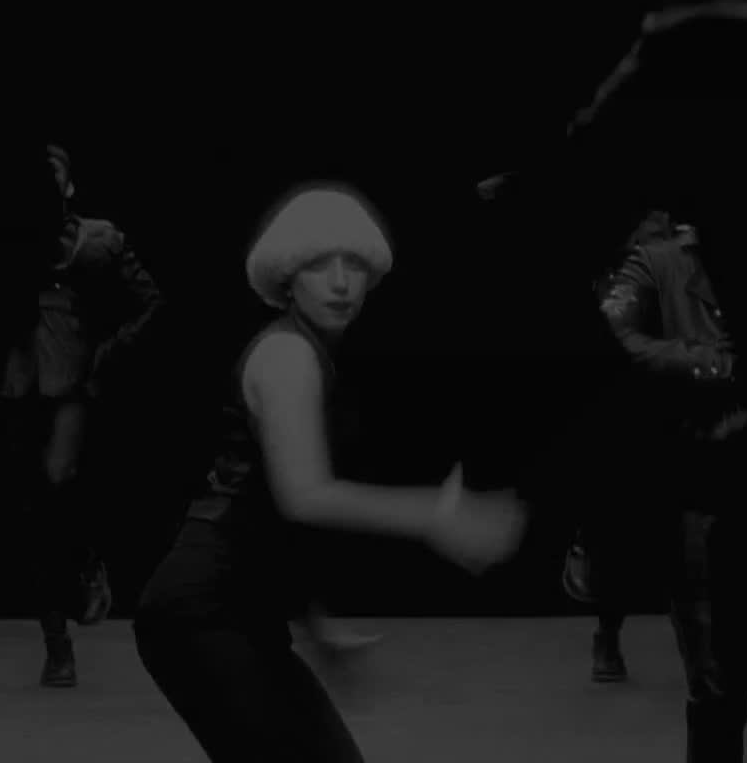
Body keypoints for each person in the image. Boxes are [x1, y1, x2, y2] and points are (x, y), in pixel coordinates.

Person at [134, 182, 528, 762]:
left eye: (355, 265)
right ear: (287, 279)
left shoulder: (309, 353)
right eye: (320, 265)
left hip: (239, 614)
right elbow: (304, 496)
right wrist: (435, 515)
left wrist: (317, 624)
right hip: (201, 614)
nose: (341, 282)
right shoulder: (288, 356)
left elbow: (275, 516)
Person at [565, 208, 747, 763]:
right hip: (700, 491)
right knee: (715, 686)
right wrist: (708, 363)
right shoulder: (658, 263)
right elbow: (608, 335)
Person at [0, 143, 164, 687]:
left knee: (56, 491)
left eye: (53, 178)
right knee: (30, 515)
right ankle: (57, 646)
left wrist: (108, 354)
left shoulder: (98, 241)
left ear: (69, 188)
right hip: (18, 388)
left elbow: (151, 302)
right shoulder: (7, 241)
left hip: (71, 386)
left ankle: (86, 560)